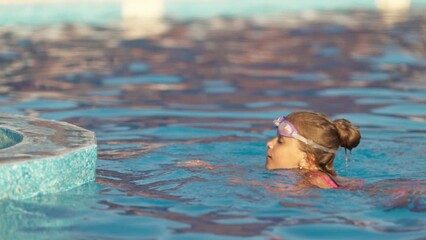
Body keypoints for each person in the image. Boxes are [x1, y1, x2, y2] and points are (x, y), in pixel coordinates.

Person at [266, 111, 362, 189]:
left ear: (307, 159)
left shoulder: (311, 179)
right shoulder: (325, 178)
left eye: (280, 141)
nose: (269, 143)